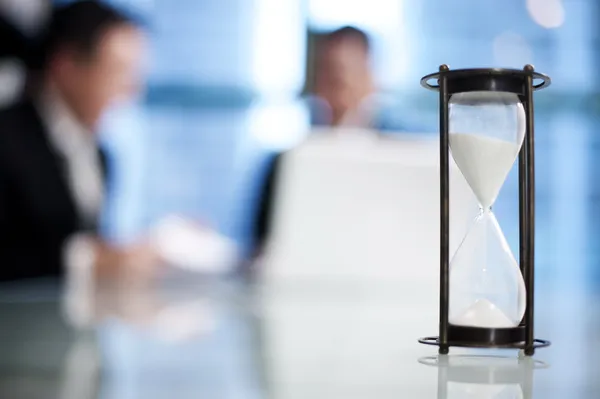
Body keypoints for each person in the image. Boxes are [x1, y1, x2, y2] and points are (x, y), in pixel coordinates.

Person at [0, 1, 156, 281]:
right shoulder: (7, 141)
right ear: (67, 67)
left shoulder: (101, 154)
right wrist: (90, 261)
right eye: (117, 71)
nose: (130, 90)